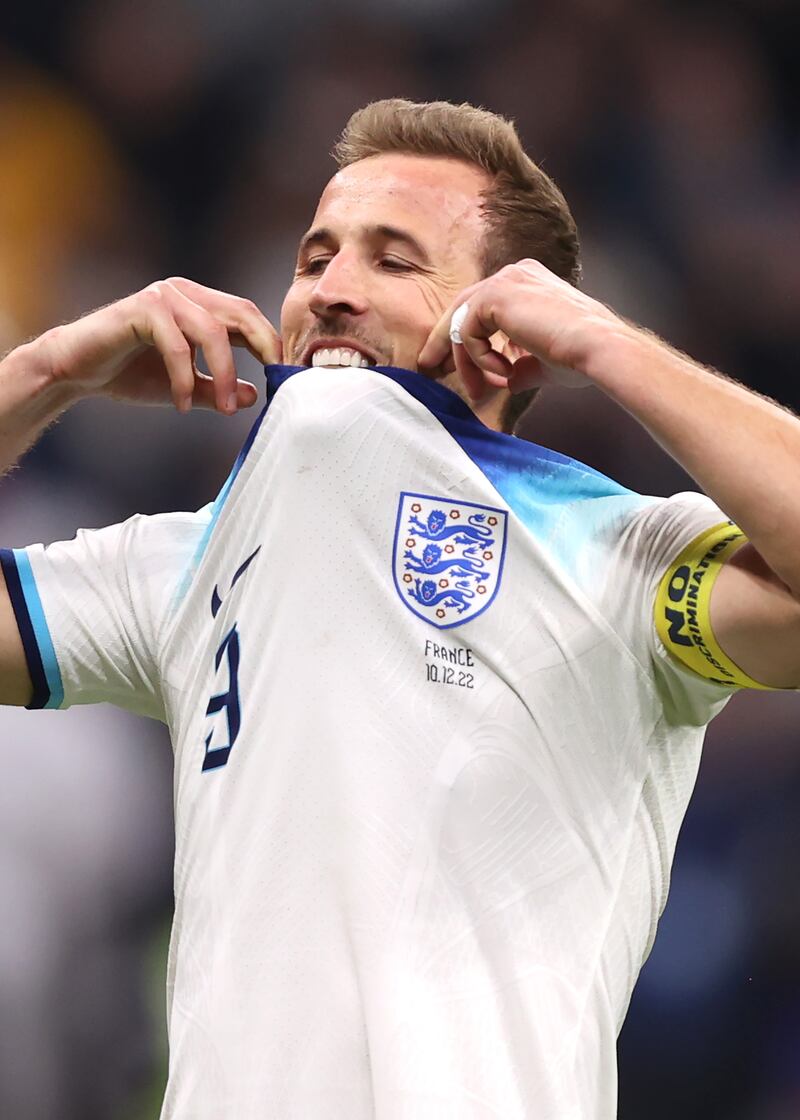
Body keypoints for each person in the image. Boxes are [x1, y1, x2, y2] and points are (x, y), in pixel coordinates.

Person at [0, 98, 798, 1119]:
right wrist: (46, 371)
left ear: (508, 331)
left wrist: (609, 349)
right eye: (313, 256)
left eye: (393, 262)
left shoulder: (612, 555)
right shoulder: (180, 563)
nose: (328, 293)